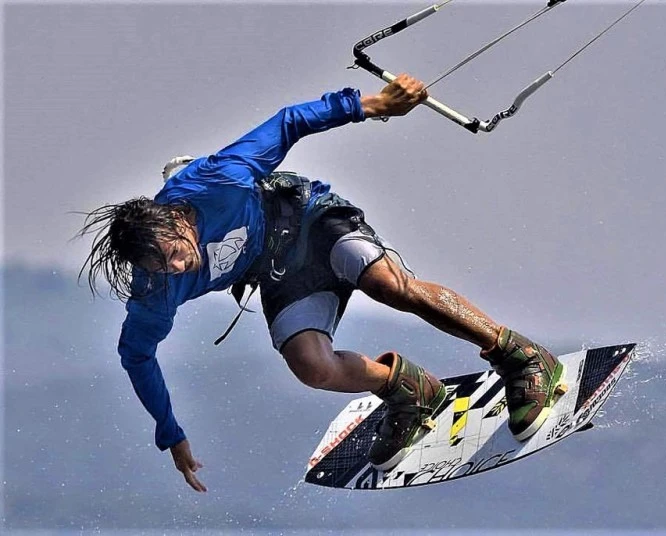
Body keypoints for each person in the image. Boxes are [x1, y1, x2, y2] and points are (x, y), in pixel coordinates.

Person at [78, 74, 564, 493]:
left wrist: (375, 104)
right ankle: (409, 391)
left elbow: (288, 121)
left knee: (389, 286)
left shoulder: (215, 180)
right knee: (312, 368)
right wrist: (170, 432)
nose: (178, 268)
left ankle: (520, 357)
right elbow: (136, 355)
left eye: (175, 254)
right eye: (162, 267)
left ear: (178, 218)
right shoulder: (154, 289)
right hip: (279, 273)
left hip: (312, 221)